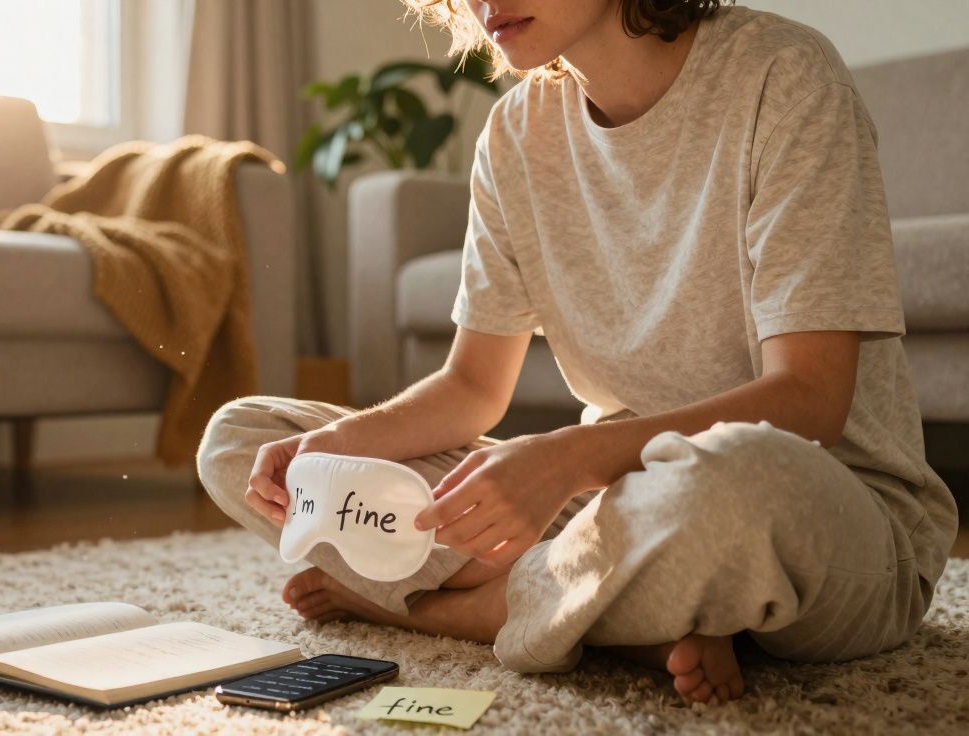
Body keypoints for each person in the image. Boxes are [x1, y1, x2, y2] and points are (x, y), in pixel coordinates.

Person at [195, 0, 958, 706]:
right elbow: (470, 389)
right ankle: (628, 615)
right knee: (241, 440)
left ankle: (466, 612)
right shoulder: (514, 133)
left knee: (726, 484)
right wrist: (329, 450)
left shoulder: (784, 76)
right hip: (610, 509)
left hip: (814, 507)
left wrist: (561, 459)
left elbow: (809, 401)